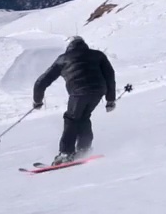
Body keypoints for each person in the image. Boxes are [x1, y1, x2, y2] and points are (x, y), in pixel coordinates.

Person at [33, 36, 117, 165]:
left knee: (71, 119)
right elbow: (110, 75)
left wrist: (37, 101)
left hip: (79, 92)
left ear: (69, 46)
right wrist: (110, 99)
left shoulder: (63, 59)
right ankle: (84, 148)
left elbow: (42, 81)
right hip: (98, 91)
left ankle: (66, 153)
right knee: (84, 117)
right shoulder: (98, 55)